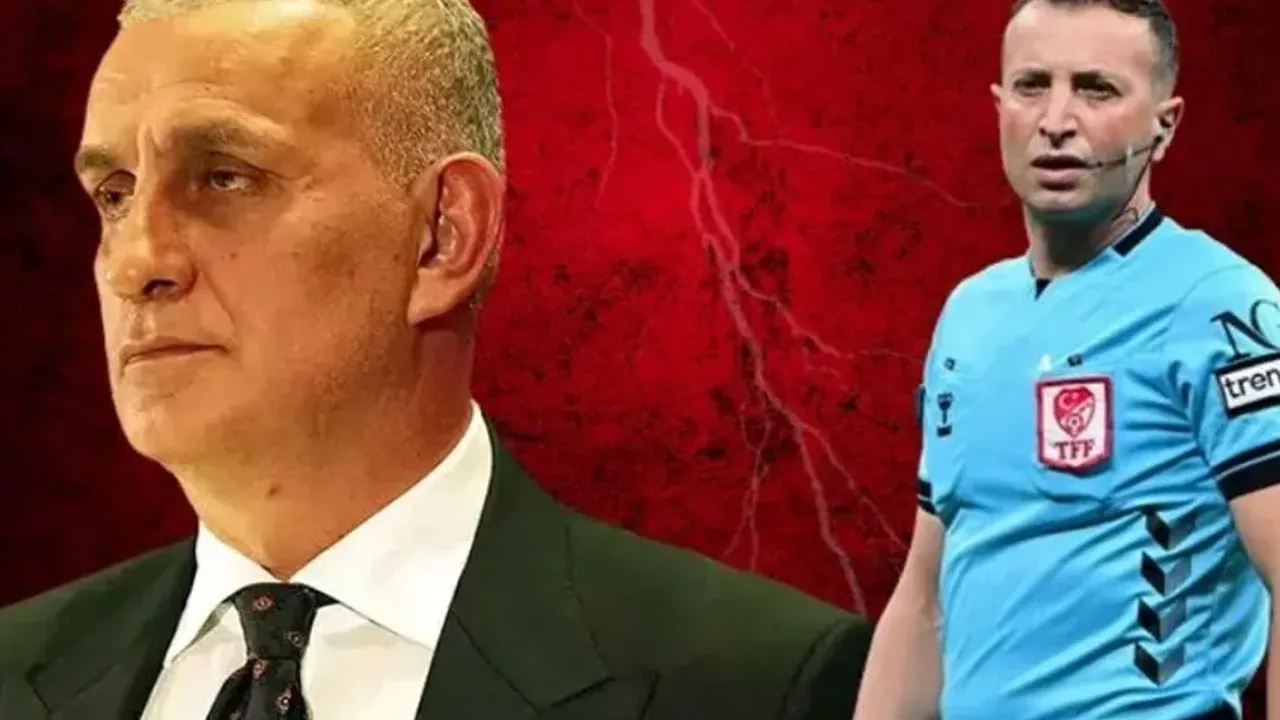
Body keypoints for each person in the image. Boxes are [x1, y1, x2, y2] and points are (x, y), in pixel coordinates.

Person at [0, 1, 872, 718]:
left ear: (442, 237)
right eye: (114, 194)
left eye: (224, 176)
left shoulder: (760, 684)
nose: (133, 261)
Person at [854, 1, 1277, 718]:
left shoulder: (1218, 306)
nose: (1056, 119)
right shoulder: (970, 315)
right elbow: (924, 600)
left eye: (1096, 88)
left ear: (1165, 125)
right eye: (1032, 85)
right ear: (999, 108)